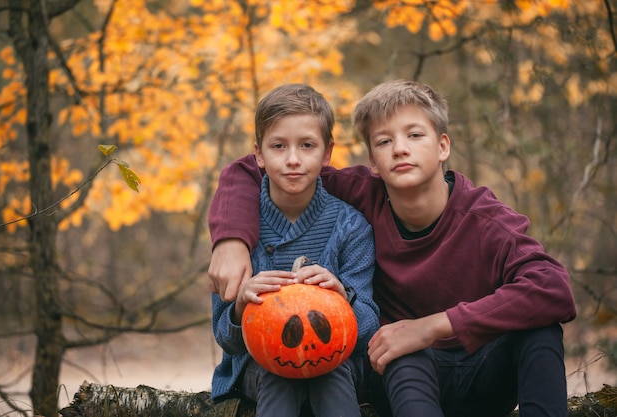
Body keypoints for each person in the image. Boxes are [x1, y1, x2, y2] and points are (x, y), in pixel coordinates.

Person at [208, 80, 577, 417]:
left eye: (415, 135)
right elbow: (253, 169)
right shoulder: (360, 194)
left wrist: (432, 326)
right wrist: (230, 240)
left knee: (539, 326)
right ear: (372, 161)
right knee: (402, 349)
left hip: (482, 368)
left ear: (443, 145)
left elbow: (553, 288)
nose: (400, 149)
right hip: (407, 373)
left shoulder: (486, 220)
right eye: (384, 141)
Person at [210, 83, 379, 417]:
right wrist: (241, 303)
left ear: (327, 152)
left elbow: (368, 328)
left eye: (306, 145)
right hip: (257, 367)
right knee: (280, 375)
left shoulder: (350, 227)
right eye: (278, 146)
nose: (292, 159)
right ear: (258, 153)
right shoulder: (239, 228)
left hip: (335, 365)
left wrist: (343, 295)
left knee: (329, 377)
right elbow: (224, 337)